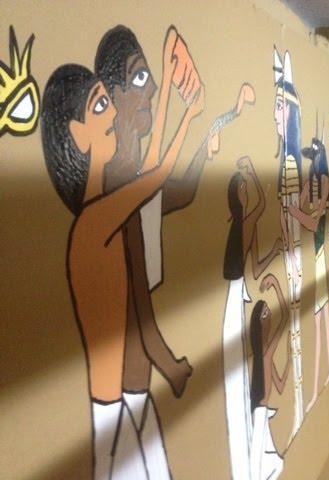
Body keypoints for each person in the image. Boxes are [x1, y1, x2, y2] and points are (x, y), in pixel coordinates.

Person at [40, 39, 203, 479]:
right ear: (78, 134)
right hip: (110, 412)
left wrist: (175, 96)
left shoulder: (104, 211)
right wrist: (187, 112)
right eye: (99, 107)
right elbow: (158, 174)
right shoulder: (94, 222)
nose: (112, 113)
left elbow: (147, 172)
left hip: (124, 402)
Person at [222, 156, 281, 479]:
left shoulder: (244, 227)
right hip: (233, 306)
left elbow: (256, 268)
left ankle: (259, 449)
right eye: (243, 188)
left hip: (239, 300)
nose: (246, 192)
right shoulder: (240, 225)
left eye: (246, 187)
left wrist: (275, 253)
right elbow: (262, 206)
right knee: (242, 371)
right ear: (238, 196)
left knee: (249, 367)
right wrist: (255, 172)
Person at [273, 47, 305, 439]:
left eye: (280, 107)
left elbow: (295, 214)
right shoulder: (285, 160)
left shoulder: (292, 164)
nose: (275, 115)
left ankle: (297, 407)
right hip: (288, 252)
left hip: (294, 255)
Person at [289, 138, 329, 412]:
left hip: (318, 255)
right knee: (323, 317)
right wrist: (302, 197)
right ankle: (326, 374)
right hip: (315, 254)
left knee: (319, 320)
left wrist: (297, 212)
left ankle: (316, 388)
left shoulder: (325, 183)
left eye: (313, 158)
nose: (311, 163)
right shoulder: (315, 182)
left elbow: (313, 222)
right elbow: (303, 201)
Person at [249, 274, 291, 480]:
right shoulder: (265, 353)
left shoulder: (265, 357)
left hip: (263, 413)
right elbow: (285, 317)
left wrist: (290, 360)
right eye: (265, 313)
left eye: (268, 310)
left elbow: (280, 386)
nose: (269, 315)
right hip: (259, 414)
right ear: (259, 323)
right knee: (257, 466)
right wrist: (275, 284)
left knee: (274, 463)